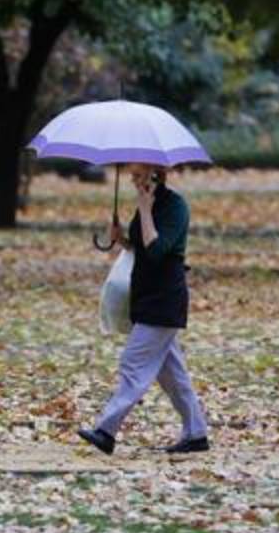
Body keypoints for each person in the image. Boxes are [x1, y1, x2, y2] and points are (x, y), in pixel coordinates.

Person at [79, 163, 209, 455]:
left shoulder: (174, 206)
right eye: (132, 176)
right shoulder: (148, 204)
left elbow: (157, 249)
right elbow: (140, 247)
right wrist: (121, 237)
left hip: (164, 298)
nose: (133, 181)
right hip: (147, 295)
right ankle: (196, 433)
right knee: (173, 375)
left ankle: (106, 431)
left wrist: (146, 209)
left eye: (138, 176)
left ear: (154, 173)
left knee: (133, 364)